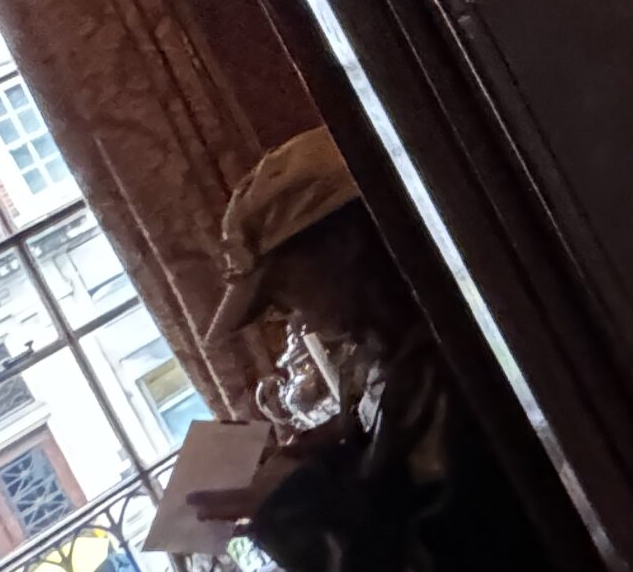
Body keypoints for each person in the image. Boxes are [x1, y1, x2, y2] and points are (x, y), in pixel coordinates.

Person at [189, 129, 555, 572]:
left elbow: (444, 551)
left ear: (343, 247)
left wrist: (289, 506)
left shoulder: (448, 362)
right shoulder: (413, 351)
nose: (296, 318)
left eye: (283, 290)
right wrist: (331, 459)